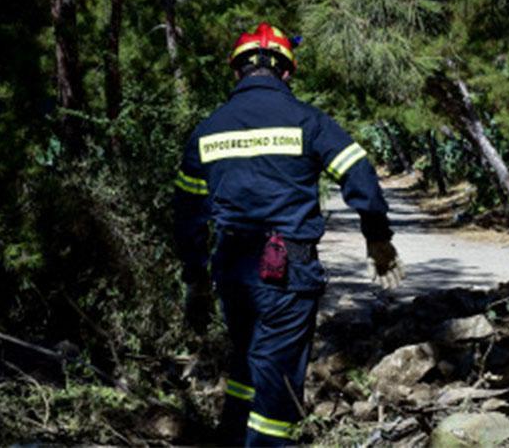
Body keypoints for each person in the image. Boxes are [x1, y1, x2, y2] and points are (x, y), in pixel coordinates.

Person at [172, 22, 404, 446]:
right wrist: (377, 238)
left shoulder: (207, 130)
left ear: (237, 71)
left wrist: (195, 280)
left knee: (247, 360)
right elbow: (361, 177)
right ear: (287, 73)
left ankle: (232, 437)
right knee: (276, 379)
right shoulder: (308, 121)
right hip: (287, 271)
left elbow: (188, 215)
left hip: (232, 272)